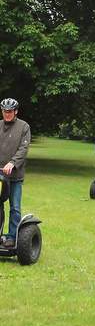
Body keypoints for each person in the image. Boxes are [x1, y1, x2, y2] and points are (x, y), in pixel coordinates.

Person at [0, 98, 31, 247]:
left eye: (10, 111)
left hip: (15, 176)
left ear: (16, 111)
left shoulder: (24, 127)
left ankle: (12, 236)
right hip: (0, 175)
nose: (7, 114)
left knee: (15, 207)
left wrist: (12, 163)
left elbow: (23, 149)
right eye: (5, 111)